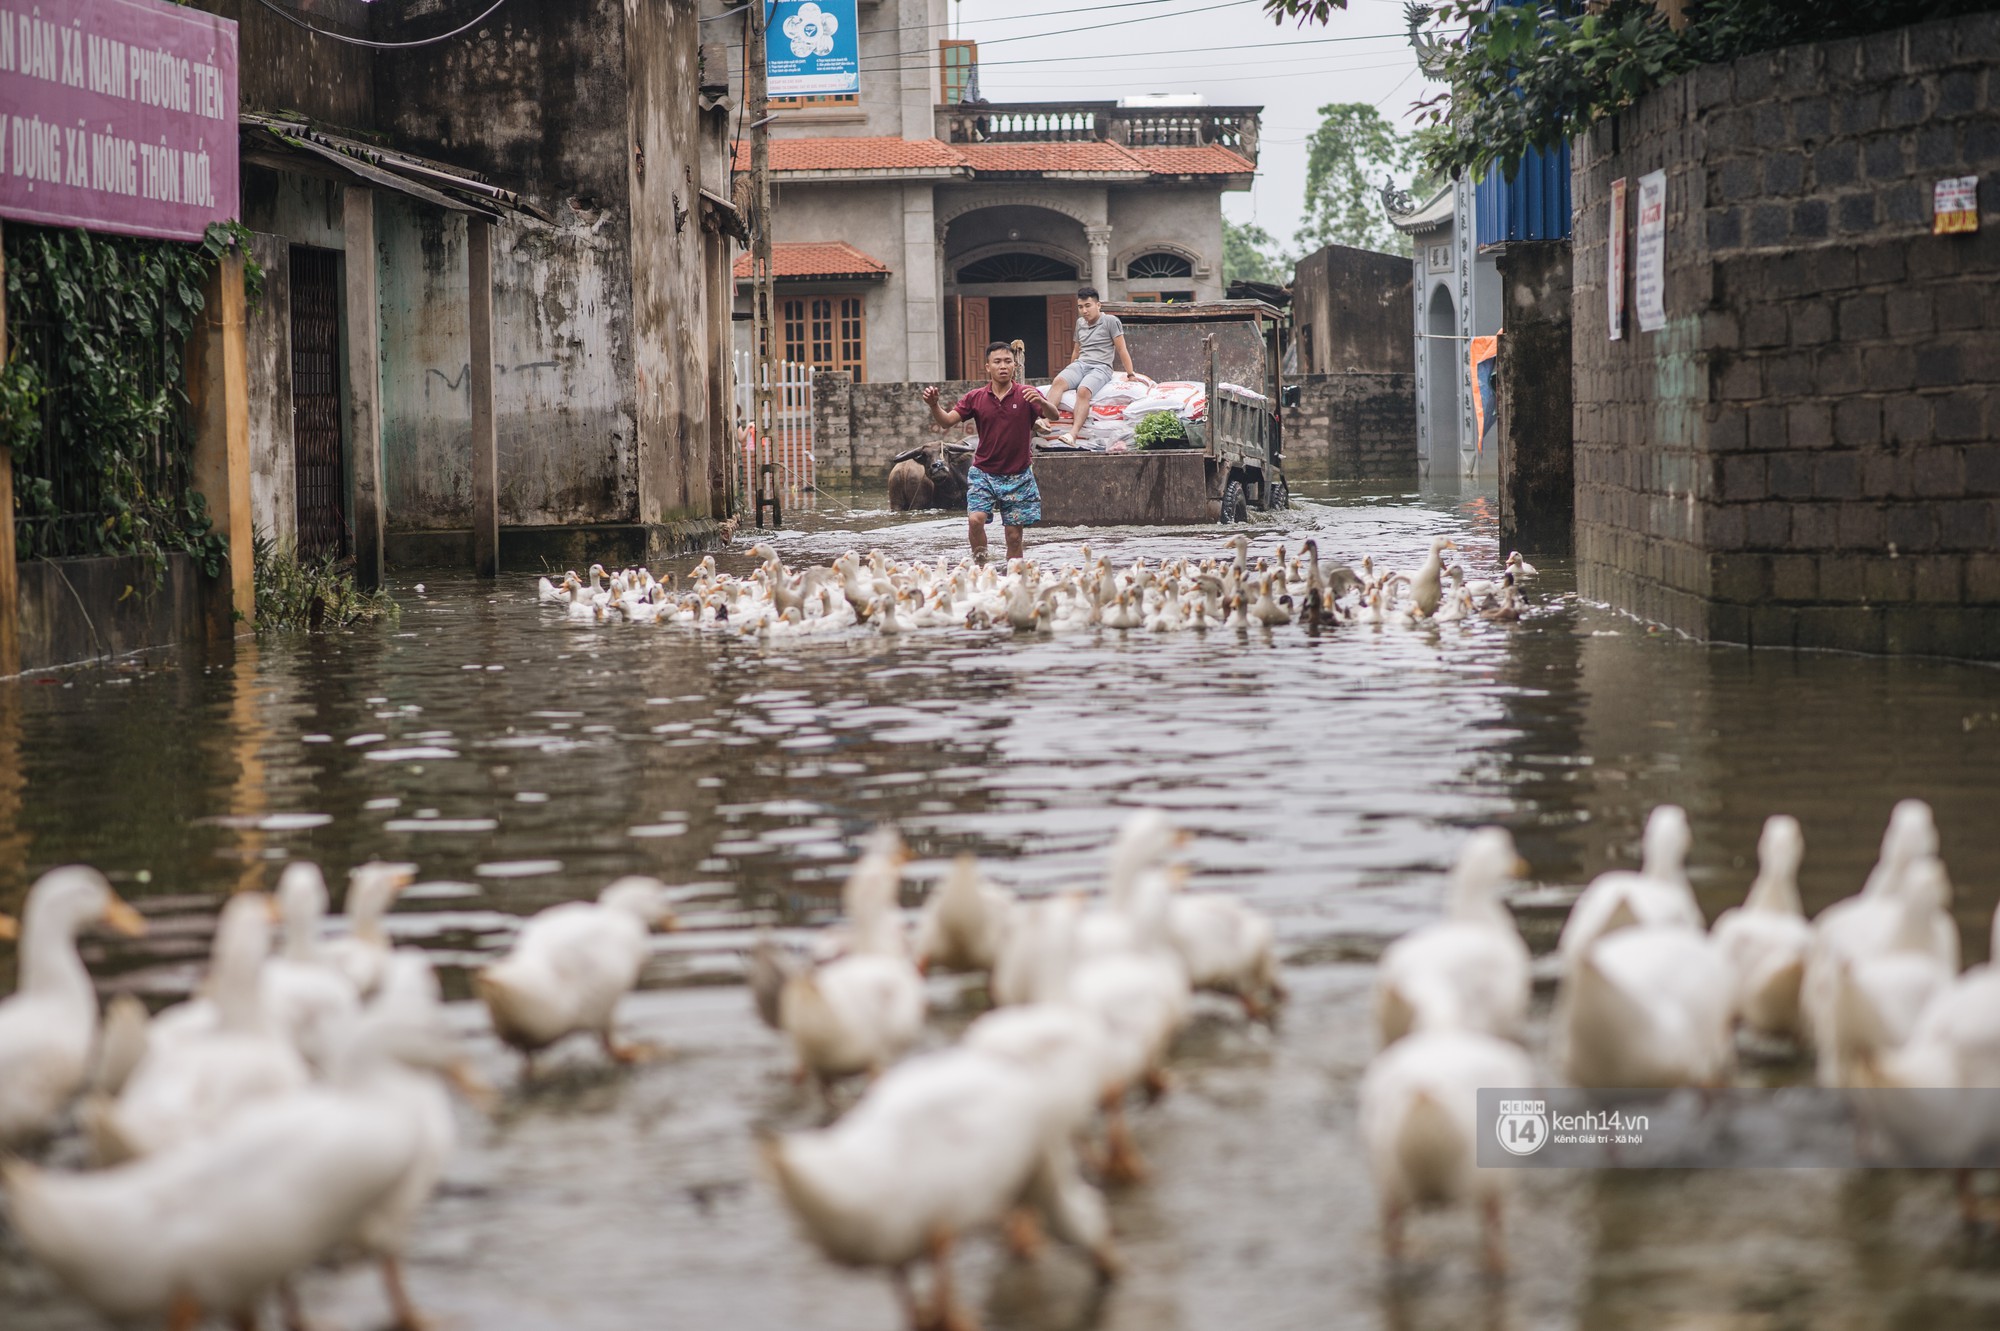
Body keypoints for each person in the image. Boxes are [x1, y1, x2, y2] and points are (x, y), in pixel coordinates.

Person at [921, 341, 1060, 562]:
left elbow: (1054, 416)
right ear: (988, 367)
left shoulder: (1027, 394)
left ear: (1014, 365)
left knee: (1013, 537)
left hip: (1018, 475)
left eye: (1007, 361)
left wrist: (1042, 403)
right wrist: (934, 405)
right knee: (975, 520)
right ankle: (981, 564)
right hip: (983, 473)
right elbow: (947, 421)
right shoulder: (975, 397)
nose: (1003, 366)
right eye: (997, 362)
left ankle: (1013, 575)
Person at [1047, 286, 1148, 445]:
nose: (1084, 311)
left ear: (1098, 305)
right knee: (1058, 381)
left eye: (1088, 306)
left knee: (1083, 390)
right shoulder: (1080, 323)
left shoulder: (1110, 321)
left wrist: (1130, 374)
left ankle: (1073, 434)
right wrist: (1071, 371)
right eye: (1080, 307)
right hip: (1081, 364)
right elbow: (1076, 350)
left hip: (1101, 367)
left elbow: (1121, 349)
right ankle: (1045, 421)